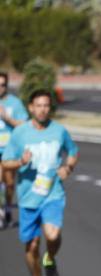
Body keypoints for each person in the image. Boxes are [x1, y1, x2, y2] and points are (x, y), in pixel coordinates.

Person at [1, 89, 78, 276]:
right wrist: (20, 162)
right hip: (28, 197)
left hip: (53, 193)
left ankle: (50, 259)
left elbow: (73, 151)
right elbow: (5, 162)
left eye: (46, 105)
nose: (43, 110)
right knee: (32, 245)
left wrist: (68, 168)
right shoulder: (20, 133)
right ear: (31, 108)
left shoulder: (59, 131)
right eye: (39, 106)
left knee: (52, 235)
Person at [0, 72, 30, 229]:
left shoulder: (15, 103)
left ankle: (7, 208)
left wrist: (7, 118)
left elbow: (24, 124)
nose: (0, 88)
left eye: (2, 85)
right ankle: (0, 211)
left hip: (10, 150)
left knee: (10, 183)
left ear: (7, 86)